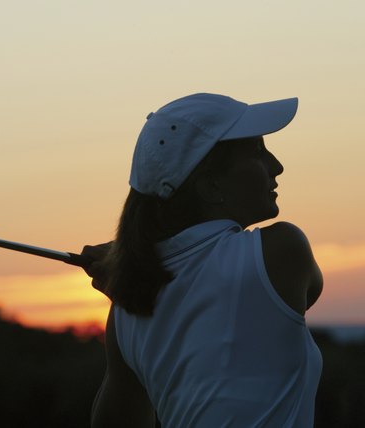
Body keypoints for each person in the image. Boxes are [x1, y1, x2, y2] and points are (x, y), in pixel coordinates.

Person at [82, 93, 323, 427]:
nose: (276, 166)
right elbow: (311, 289)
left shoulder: (128, 309)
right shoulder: (282, 250)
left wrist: (127, 272)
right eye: (257, 151)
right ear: (210, 187)